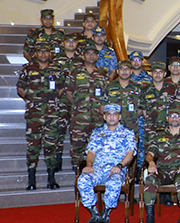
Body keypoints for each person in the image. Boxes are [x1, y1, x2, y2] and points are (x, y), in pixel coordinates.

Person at [77, 104, 136, 223]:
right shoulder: (97, 133)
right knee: (83, 180)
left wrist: (120, 165)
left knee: (114, 182)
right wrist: (89, 165)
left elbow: (130, 154)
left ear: (119, 117)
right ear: (104, 117)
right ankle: (94, 213)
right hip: (98, 168)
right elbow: (91, 152)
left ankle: (106, 213)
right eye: (109, 114)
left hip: (116, 169)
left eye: (115, 114)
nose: (112, 117)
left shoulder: (127, 133)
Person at [141, 106, 180, 223]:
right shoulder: (159, 134)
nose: (174, 118)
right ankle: (150, 219)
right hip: (161, 170)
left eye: (177, 116)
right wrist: (151, 162)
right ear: (167, 118)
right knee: (150, 179)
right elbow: (150, 153)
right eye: (171, 116)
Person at [16, 42, 65, 190]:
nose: (43, 54)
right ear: (35, 53)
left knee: (51, 146)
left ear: (50, 53)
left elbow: (62, 88)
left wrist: (52, 100)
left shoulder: (57, 69)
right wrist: (32, 101)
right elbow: (20, 88)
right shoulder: (28, 68)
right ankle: (32, 180)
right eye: (40, 51)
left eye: (46, 51)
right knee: (33, 147)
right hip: (34, 116)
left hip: (52, 115)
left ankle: (51, 179)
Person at [65, 42, 110, 171]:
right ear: (83, 56)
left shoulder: (102, 73)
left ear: (97, 57)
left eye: (94, 54)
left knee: (97, 146)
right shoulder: (75, 72)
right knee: (77, 146)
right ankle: (77, 172)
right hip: (79, 118)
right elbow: (69, 92)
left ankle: (95, 172)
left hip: (97, 118)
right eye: (88, 53)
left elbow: (106, 93)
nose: (91, 56)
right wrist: (79, 105)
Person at [53, 33, 83, 171]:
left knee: (76, 133)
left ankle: (75, 162)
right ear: (63, 44)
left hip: (78, 102)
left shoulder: (81, 60)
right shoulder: (55, 60)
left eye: (73, 41)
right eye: (68, 41)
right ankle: (57, 158)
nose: (71, 44)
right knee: (59, 130)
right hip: (60, 101)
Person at [140, 61, 180, 149]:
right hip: (151, 129)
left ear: (164, 74)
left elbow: (178, 109)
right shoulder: (145, 90)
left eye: (160, 72)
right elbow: (144, 111)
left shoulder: (173, 89)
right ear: (151, 74)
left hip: (168, 129)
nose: (157, 74)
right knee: (149, 155)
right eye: (155, 72)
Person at [102, 60, 142, 133]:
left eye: (127, 69)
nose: (124, 71)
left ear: (131, 71)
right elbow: (102, 107)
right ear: (117, 71)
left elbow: (142, 108)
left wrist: (131, 116)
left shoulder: (138, 87)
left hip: (131, 128)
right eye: (122, 69)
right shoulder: (109, 86)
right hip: (112, 128)